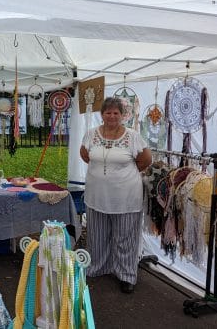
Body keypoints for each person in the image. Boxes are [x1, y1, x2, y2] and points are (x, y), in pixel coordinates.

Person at [80, 97, 152, 294]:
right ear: (102, 114)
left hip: (126, 196)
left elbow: (145, 160)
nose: (111, 116)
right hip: (97, 195)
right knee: (97, 235)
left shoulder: (133, 136)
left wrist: (120, 174)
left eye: (116, 113)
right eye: (108, 112)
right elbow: (85, 154)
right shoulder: (90, 134)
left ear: (122, 115)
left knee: (125, 237)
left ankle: (126, 275)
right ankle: (97, 267)